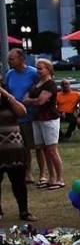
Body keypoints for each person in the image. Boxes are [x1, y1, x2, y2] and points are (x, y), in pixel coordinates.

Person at [22, 59, 63, 190]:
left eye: (41, 68)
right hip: (37, 118)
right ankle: (50, 176)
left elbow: (41, 101)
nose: (38, 71)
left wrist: (32, 101)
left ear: (49, 69)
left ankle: (59, 178)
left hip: (49, 118)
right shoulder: (36, 84)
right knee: (43, 148)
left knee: (52, 149)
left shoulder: (50, 84)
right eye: (37, 68)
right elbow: (25, 99)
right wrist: (33, 100)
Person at [0, 81, 33, 220]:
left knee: (19, 182)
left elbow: (22, 112)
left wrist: (5, 94)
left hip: (14, 151)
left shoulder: (9, 101)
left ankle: (24, 211)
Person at [5, 49, 37, 184]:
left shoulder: (33, 73)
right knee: (20, 146)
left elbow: (40, 87)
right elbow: (7, 90)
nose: (9, 61)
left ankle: (33, 172)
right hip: (14, 116)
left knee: (31, 145)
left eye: (12, 59)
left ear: (21, 59)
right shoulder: (9, 74)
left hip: (29, 115)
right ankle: (25, 172)